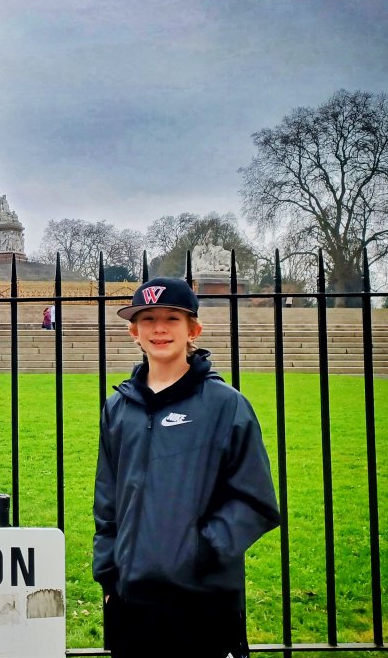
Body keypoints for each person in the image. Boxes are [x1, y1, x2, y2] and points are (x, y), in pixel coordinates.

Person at [94, 277, 280, 657]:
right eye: (148, 319)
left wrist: (198, 551)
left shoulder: (226, 405)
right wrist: (109, 576)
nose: (159, 328)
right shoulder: (118, 408)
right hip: (131, 602)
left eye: (172, 318)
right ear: (133, 331)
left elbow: (255, 501)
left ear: (193, 329)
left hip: (202, 603)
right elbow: (107, 503)